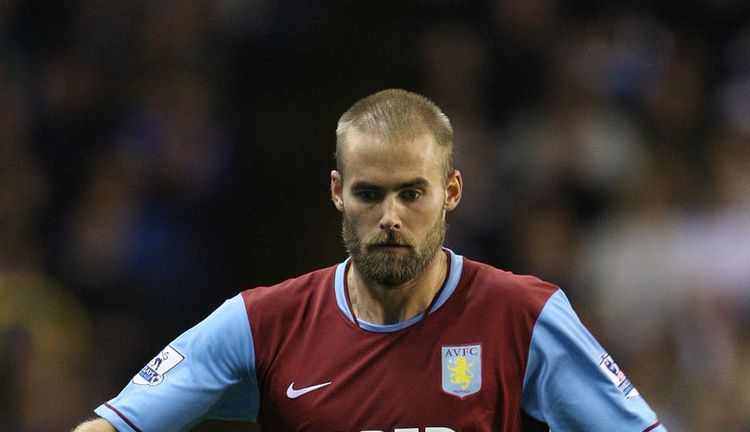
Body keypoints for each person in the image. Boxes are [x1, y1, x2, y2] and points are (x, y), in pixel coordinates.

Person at [74, 89, 666, 432]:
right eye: (369, 193)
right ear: (338, 192)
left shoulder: (524, 316)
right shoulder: (263, 324)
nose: (390, 217)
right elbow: (114, 425)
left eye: (411, 193)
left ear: (451, 192)